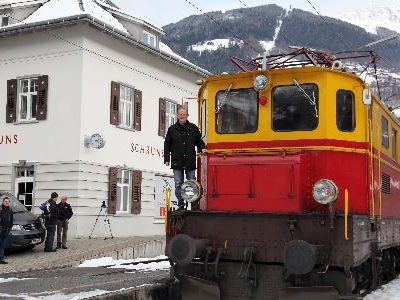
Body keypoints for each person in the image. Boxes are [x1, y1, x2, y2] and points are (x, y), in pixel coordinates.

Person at [164, 106, 206, 210]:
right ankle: (181, 205)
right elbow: (167, 144)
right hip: (177, 161)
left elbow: (199, 141)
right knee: (178, 183)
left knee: (192, 182)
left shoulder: (193, 128)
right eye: (180, 114)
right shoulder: (172, 129)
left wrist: (202, 148)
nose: (182, 116)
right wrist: (166, 159)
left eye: (184, 114)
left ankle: (194, 204)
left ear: (187, 116)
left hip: (190, 160)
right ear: (177, 116)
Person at [0, 197, 13, 264]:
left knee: (2, 245)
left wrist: (9, 228)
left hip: (6, 230)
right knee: (1, 244)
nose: (7, 202)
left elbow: (11, 220)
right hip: (0, 230)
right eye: (5, 201)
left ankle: (1, 258)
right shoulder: (0, 209)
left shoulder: (10, 210)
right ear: (3, 202)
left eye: (8, 201)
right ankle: (1, 258)